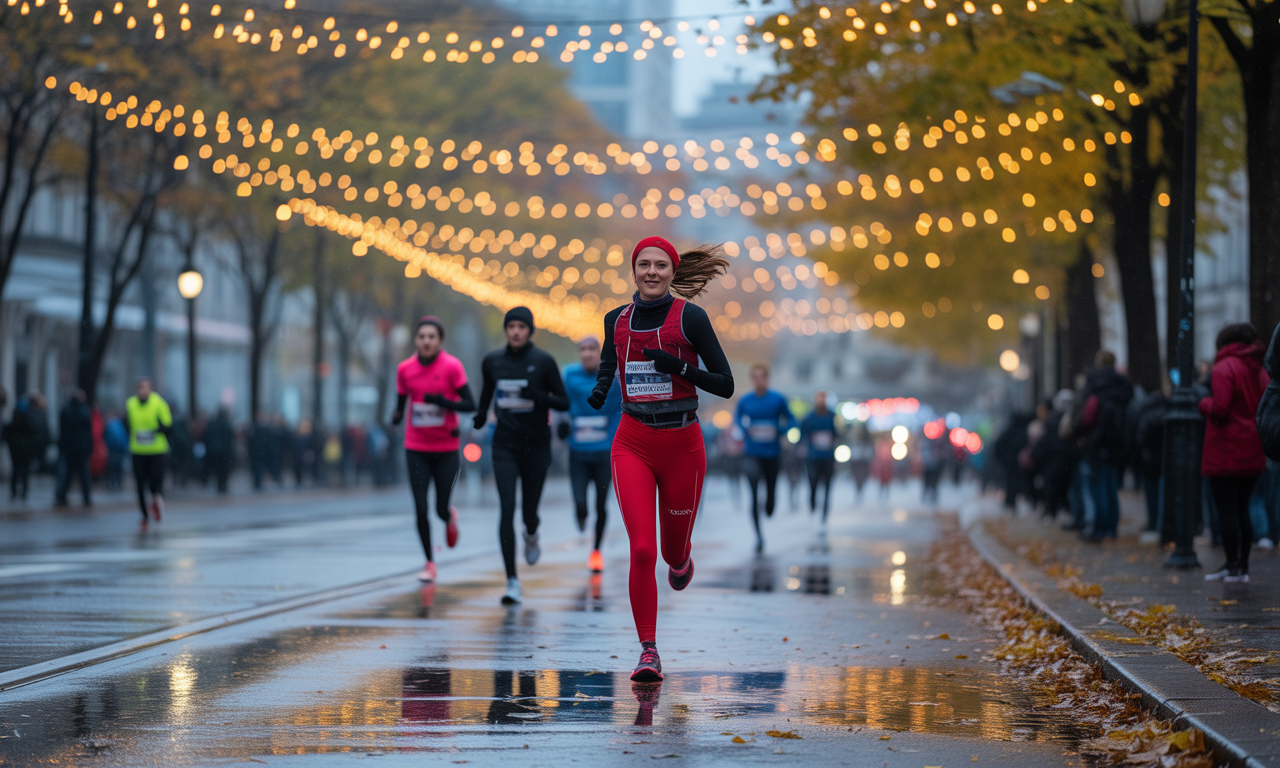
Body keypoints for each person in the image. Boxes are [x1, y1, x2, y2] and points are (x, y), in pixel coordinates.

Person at [587, 236, 734, 682]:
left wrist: (678, 367)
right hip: (631, 440)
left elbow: (725, 384)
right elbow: (612, 366)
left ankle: (683, 559)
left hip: (682, 444)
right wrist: (598, 391)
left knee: (670, 550)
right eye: (643, 265)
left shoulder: (691, 317)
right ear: (633, 271)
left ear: (672, 273)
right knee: (642, 549)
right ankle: (648, 651)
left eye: (660, 266)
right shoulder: (615, 319)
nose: (651, 272)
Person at [473, 306, 568, 605]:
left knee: (528, 511)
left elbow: (563, 401)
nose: (515, 331)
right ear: (506, 329)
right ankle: (512, 581)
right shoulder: (493, 361)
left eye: (521, 327)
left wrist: (537, 396)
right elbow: (488, 392)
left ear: (530, 330)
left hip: (536, 446)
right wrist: (479, 416)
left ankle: (532, 531)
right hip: (504, 445)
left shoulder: (543, 361)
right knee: (506, 509)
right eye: (511, 326)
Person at [392, 316, 474, 583]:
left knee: (439, 507)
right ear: (416, 340)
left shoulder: (451, 367)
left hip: (446, 448)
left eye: (432, 337)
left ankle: (449, 517)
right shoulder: (405, 369)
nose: (426, 341)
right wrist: (396, 414)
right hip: (415, 446)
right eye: (422, 337)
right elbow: (402, 401)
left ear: (440, 341)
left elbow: (470, 403)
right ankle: (429, 562)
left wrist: (443, 401)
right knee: (419, 506)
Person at [1199, 323, 1270, 583]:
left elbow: (1220, 410)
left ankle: (1231, 564)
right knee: (1243, 508)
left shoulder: (1223, 368)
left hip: (1227, 449)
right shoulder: (1260, 369)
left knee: (1226, 511)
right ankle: (1243, 565)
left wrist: (1202, 402)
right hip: (1253, 446)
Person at [562, 335, 622, 572]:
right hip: (577, 451)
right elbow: (561, 404)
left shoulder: (613, 377)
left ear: (600, 353)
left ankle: (596, 551)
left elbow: (619, 410)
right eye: (583, 349)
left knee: (600, 504)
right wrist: (562, 423)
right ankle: (580, 513)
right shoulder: (569, 375)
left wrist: (614, 438)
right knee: (580, 503)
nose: (587, 354)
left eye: (592, 349)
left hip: (603, 451)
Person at [736, 364, 795, 552]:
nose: (758, 380)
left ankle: (770, 502)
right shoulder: (745, 401)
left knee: (770, 495)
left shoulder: (777, 399)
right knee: (753, 493)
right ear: (752, 379)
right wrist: (745, 430)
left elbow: (792, 420)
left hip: (773, 453)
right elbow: (736, 420)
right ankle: (759, 537)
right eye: (755, 377)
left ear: (767, 379)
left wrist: (780, 430)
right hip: (752, 453)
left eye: (762, 377)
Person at [1076, 351, 1134, 541]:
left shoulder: (1094, 384)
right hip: (1117, 441)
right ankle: (1111, 527)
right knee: (1111, 485)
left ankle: (1100, 527)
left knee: (1098, 485)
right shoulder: (1122, 385)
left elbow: (1087, 416)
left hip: (1096, 441)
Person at [126, 378, 172, 528]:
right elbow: (126, 423)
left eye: (145, 388)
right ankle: (144, 516)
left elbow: (167, 426)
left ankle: (156, 503)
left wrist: (154, 432)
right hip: (138, 450)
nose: (142, 391)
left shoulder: (159, 403)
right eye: (140, 389)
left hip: (157, 450)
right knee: (139, 484)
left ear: (150, 390)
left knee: (154, 482)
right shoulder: (131, 404)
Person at [799, 391, 837, 524]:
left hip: (828, 458)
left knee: (827, 486)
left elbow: (838, 433)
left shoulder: (833, 417)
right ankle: (812, 503)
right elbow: (802, 434)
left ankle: (824, 516)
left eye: (823, 399)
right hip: (813, 458)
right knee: (813, 482)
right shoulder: (809, 418)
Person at [55, 389, 94, 507]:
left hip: (69, 448)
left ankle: (62, 496)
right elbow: (88, 431)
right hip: (81, 448)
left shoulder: (66, 410)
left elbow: (62, 430)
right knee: (83, 474)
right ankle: (86, 498)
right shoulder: (85, 411)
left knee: (67, 473)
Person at [3, 394, 41, 502]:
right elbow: (34, 435)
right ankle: (24, 492)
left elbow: (7, 434)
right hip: (25, 451)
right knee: (25, 472)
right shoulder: (29, 419)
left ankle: (14, 492)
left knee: (15, 471)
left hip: (15, 450)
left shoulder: (13, 419)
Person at [203, 408, 236, 493]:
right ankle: (223, 485)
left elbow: (206, 437)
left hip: (214, 452)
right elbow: (231, 438)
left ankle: (219, 485)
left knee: (217, 470)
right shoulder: (227, 424)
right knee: (224, 470)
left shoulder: (212, 424)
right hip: (225, 452)